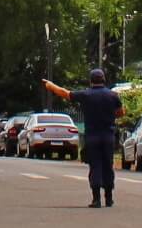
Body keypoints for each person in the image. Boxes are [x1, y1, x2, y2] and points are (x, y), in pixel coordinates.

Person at [43, 68, 124, 207]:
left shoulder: (86, 95)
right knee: (108, 165)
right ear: (104, 79)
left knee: (95, 166)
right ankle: (109, 198)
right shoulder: (113, 96)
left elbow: (65, 93)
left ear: (91, 80)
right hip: (108, 136)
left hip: (92, 137)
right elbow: (121, 113)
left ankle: (96, 199)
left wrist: (50, 85)